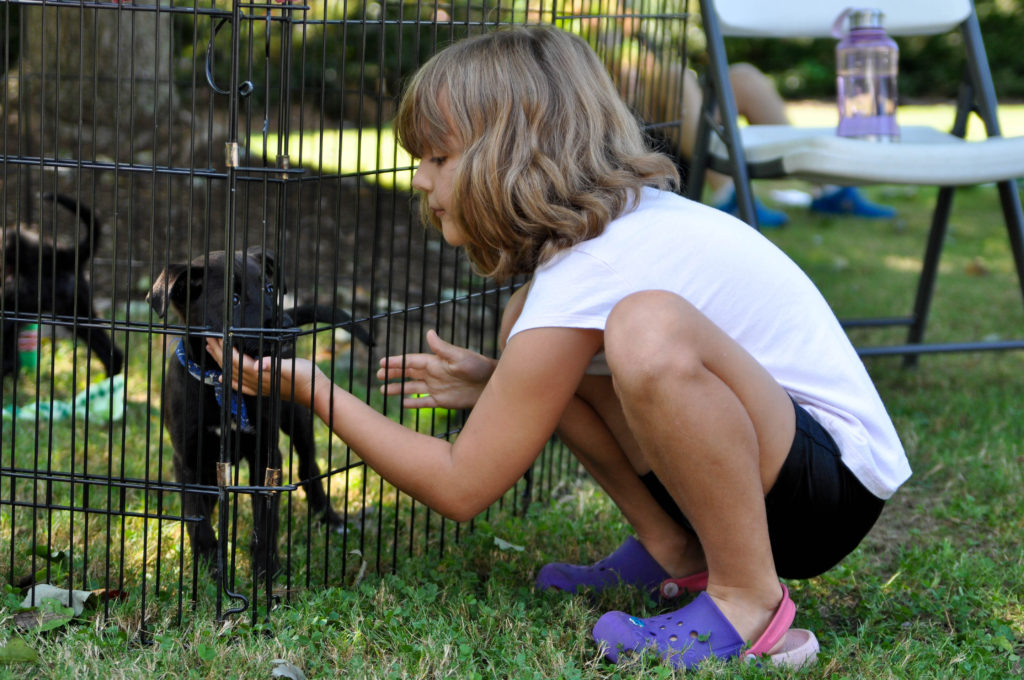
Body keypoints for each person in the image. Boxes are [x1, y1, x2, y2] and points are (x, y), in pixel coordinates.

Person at [208, 25, 910, 670]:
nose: (420, 180)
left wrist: (314, 389)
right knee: (529, 335)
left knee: (646, 327)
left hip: (830, 490)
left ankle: (748, 603)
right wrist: (499, 380)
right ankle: (674, 549)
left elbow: (461, 485)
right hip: (777, 476)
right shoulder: (595, 252)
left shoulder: (598, 266)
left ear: (511, 155)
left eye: (439, 157)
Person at [673, 63, 898, 227]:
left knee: (745, 77)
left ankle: (830, 188)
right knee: (674, 75)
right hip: (648, 132)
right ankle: (730, 197)